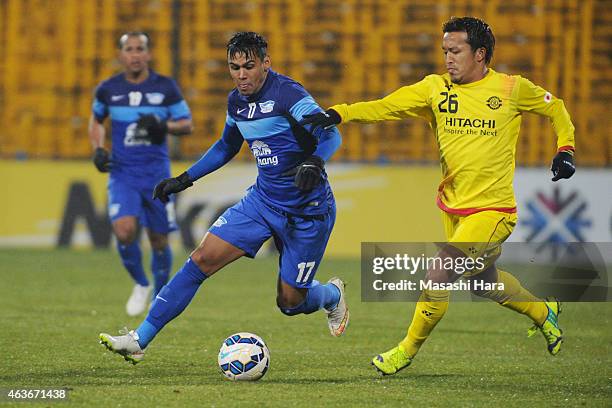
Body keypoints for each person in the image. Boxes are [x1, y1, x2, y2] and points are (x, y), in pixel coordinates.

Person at [301, 16, 575, 375]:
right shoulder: (434, 89)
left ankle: (405, 352)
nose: (448, 58)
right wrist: (340, 114)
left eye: (456, 51)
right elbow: (386, 106)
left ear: (480, 54)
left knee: (438, 273)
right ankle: (544, 312)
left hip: (494, 211)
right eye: (445, 51)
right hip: (455, 208)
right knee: (485, 281)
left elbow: (555, 107)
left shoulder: (511, 89)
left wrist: (565, 148)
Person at [99, 32, 348, 364]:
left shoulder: (289, 94)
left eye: (249, 66)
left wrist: (314, 161)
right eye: (234, 67)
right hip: (263, 202)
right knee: (201, 258)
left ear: (265, 63)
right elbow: (226, 146)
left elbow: (331, 133)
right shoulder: (236, 102)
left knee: (290, 302)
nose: (241, 75)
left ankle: (331, 294)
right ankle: (139, 339)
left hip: (308, 212)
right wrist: (184, 179)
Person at [89, 32, 193, 317]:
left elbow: (186, 124)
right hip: (123, 173)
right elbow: (96, 120)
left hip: (156, 174)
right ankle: (141, 283)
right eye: (129, 49)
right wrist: (98, 148)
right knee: (123, 231)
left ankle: (159, 297)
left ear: (148, 54)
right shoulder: (108, 89)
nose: (135, 54)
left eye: (140, 49)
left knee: (159, 239)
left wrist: (163, 126)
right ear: (121, 55)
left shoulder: (165, 87)